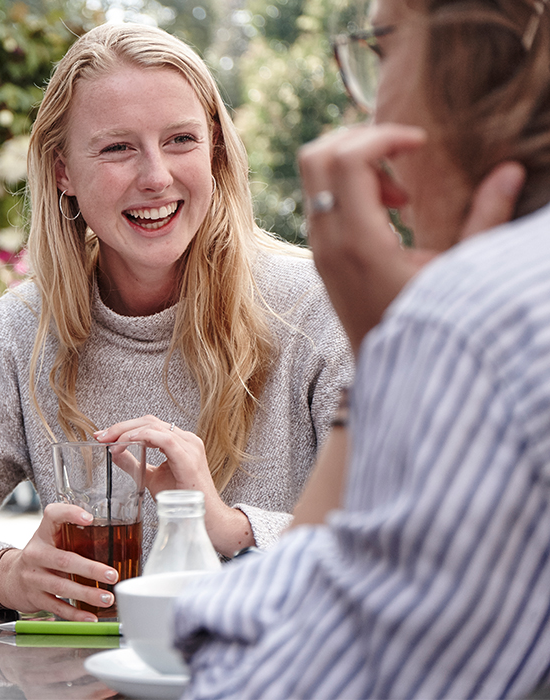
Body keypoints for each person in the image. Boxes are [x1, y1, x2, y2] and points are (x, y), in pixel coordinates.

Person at [0, 23, 352, 621]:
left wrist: (225, 527)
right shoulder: (23, 333)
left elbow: (399, 544)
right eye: (118, 147)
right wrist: (7, 575)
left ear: (216, 149)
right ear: (62, 171)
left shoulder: (316, 308)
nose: (156, 176)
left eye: (181, 140)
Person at [173, 0, 550, 698]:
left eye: (380, 51)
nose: (368, 115)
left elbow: (253, 687)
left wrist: (382, 365)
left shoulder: (470, 324)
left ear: (474, 47)